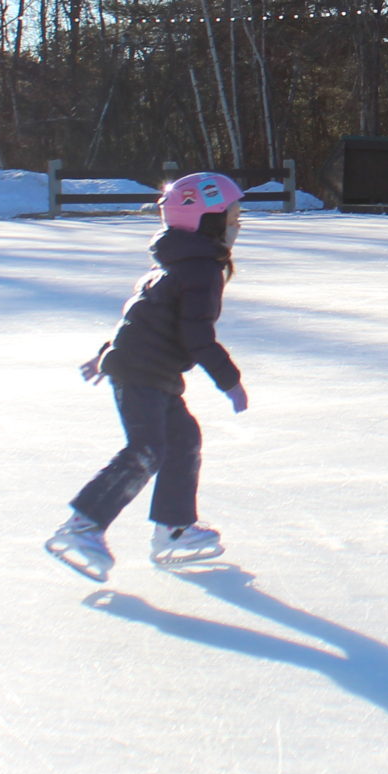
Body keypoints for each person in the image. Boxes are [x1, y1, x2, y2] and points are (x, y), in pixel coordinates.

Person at [45, 173, 250, 581]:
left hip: (150, 369)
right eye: (231, 216)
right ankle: (82, 525)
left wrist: (106, 354)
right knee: (147, 450)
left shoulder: (180, 266)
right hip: (143, 371)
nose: (237, 224)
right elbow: (197, 336)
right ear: (205, 222)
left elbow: (140, 315)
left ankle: (173, 529)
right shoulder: (199, 271)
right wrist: (230, 380)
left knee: (182, 439)